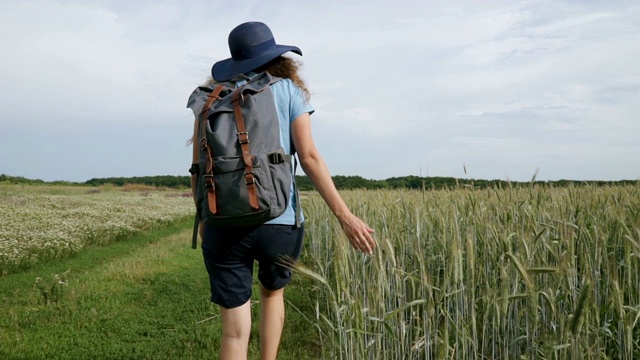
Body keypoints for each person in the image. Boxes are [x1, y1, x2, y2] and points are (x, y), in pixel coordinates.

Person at [189, 21, 376, 360]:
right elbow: (309, 157)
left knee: (233, 331)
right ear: (275, 57)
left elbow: (198, 168)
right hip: (279, 220)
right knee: (272, 296)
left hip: (223, 223)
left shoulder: (209, 100)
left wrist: (205, 218)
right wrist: (346, 217)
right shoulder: (288, 91)